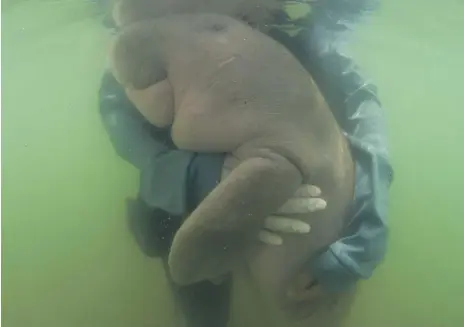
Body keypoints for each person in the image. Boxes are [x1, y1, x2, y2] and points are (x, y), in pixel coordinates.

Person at [98, 0, 393, 326]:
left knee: (312, 298)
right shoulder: (127, 66)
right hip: (181, 210)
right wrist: (205, 179)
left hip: (300, 197)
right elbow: (137, 149)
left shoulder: (302, 43)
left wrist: (368, 226)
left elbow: (362, 105)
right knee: (201, 309)